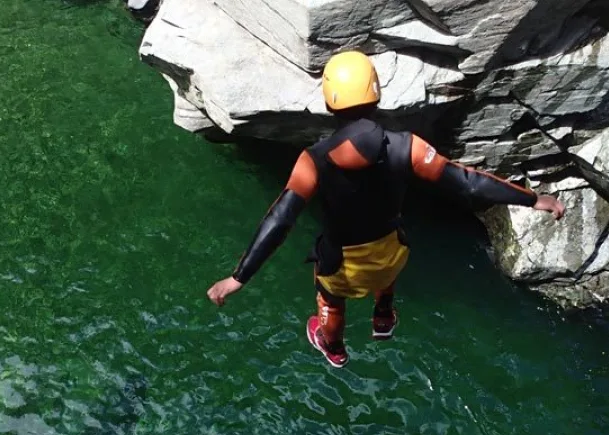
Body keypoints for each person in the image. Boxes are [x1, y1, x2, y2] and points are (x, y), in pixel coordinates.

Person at [206, 50, 566, 368]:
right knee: (387, 259)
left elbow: (281, 218)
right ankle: (383, 316)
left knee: (330, 298)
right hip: (392, 251)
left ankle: (332, 346)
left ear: (329, 101)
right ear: (376, 94)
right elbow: (468, 182)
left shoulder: (313, 161)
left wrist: (238, 277)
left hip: (342, 265)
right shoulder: (407, 147)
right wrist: (535, 199)